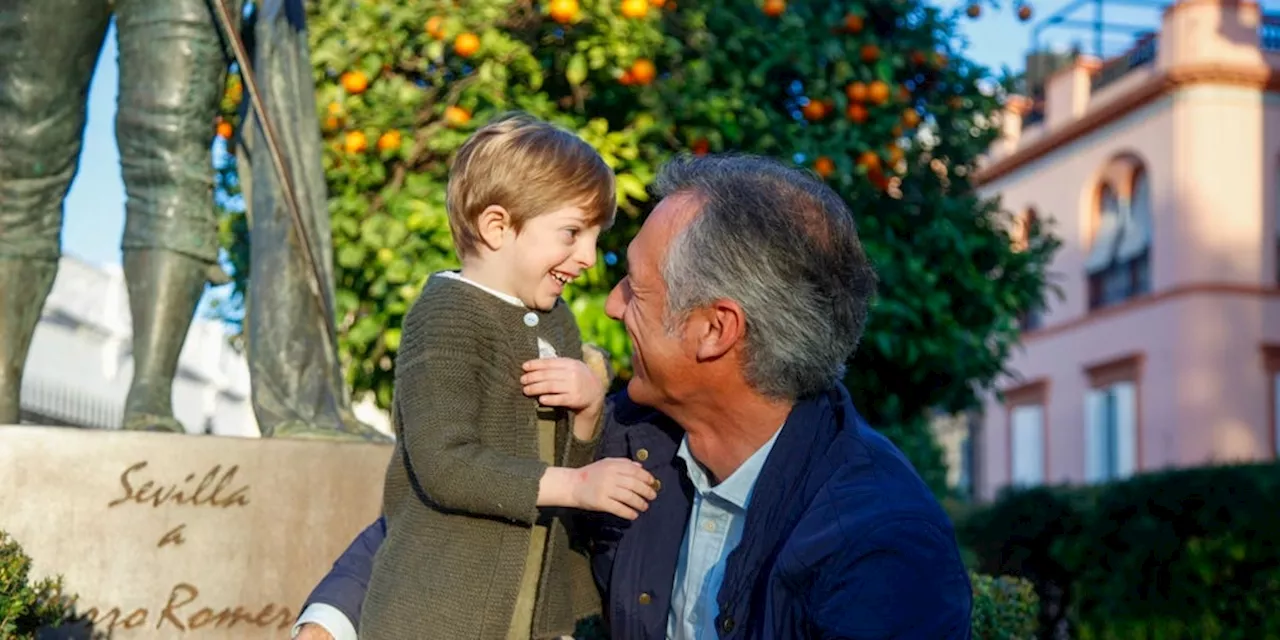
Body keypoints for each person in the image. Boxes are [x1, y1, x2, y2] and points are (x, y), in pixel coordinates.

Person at [294, 154, 973, 640]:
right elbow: (439, 516)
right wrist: (329, 622)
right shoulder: (627, 431)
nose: (612, 305)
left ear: (714, 330)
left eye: (637, 291)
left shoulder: (882, 546)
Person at [355, 112, 658, 640]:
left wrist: (588, 413)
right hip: (437, 612)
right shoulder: (445, 315)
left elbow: (568, 470)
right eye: (572, 232)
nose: (587, 257)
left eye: (593, 236)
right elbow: (443, 463)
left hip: (537, 613)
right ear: (497, 226)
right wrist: (577, 485)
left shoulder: (557, 319)